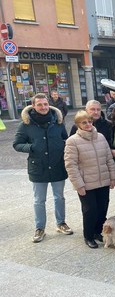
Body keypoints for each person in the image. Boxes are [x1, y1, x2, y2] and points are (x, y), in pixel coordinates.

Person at [13, 93, 73, 243]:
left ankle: (61, 223)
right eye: (39, 104)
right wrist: (32, 147)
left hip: (57, 165)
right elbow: (17, 144)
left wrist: (62, 145)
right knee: (39, 200)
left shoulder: (58, 122)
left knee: (59, 197)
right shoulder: (26, 124)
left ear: (49, 104)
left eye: (45, 104)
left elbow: (65, 139)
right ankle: (40, 227)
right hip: (38, 168)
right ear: (33, 106)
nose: (43, 107)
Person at [64, 111, 115, 249]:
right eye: (84, 122)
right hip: (86, 183)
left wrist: (113, 177)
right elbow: (71, 165)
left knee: (102, 208)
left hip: (103, 180)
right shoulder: (72, 141)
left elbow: (108, 158)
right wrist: (78, 185)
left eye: (89, 121)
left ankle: (97, 232)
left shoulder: (100, 137)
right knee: (90, 210)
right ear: (78, 125)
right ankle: (88, 236)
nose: (88, 124)